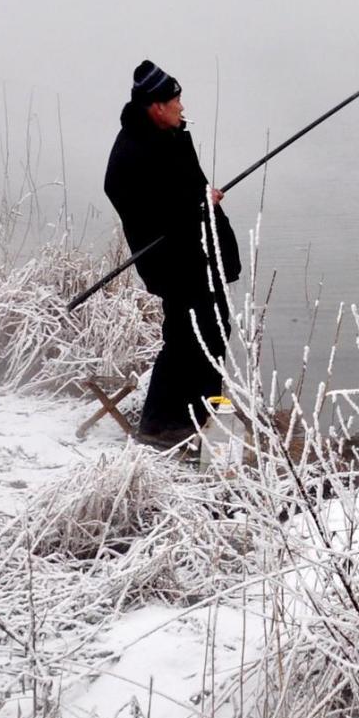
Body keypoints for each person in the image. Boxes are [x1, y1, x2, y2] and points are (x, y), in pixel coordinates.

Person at [103, 59, 241, 448]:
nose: (182, 106)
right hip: (171, 258)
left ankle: (200, 414)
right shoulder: (132, 148)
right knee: (186, 335)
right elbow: (127, 193)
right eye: (175, 100)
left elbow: (185, 185)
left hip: (199, 248)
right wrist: (194, 204)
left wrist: (203, 201)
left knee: (214, 327)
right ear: (156, 105)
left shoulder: (172, 133)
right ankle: (158, 424)